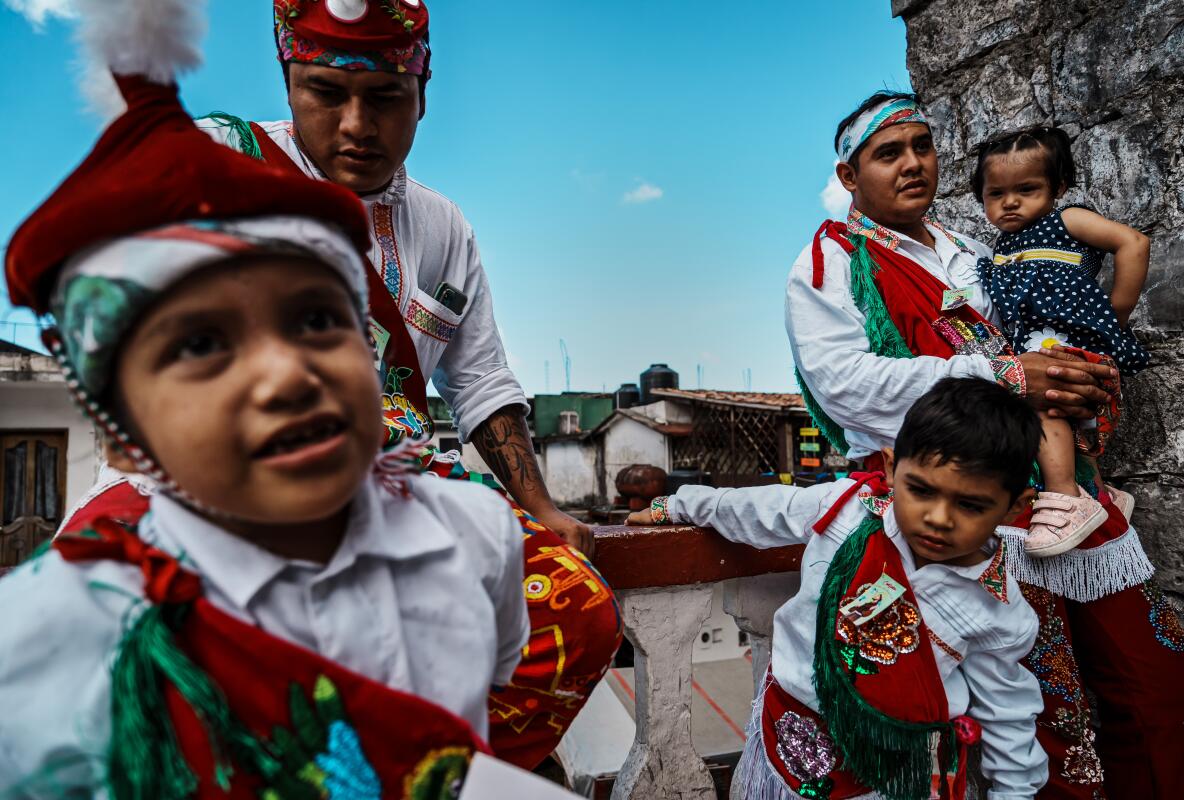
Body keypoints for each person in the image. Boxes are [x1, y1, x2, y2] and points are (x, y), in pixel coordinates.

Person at [61, 0, 623, 769]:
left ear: (422, 94)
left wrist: (542, 507)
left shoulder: (443, 226)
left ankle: (407, 777)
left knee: (578, 614)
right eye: (327, 93)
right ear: (290, 83)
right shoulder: (219, 164)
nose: (358, 124)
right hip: (209, 486)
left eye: (385, 98)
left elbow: (482, 380)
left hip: (393, 490)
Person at [787, 90, 1184, 798]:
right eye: (889, 153)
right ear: (850, 177)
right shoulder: (828, 265)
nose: (913, 163)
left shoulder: (981, 249)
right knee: (1040, 715)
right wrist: (1005, 374)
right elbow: (843, 385)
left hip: (1067, 497)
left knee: (1152, 682)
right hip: (966, 520)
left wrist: (1077, 372)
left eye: (922, 146)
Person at [630, 378, 1048, 799]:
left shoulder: (998, 609)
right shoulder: (847, 510)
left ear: (1014, 507)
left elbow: (1007, 711)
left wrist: (1014, 792)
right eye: (920, 490)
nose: (938, 518)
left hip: (888, 777)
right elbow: (757, 509)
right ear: (890, 466)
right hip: (780, 741)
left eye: (970, 505)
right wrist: (676, 505)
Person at [973, 126, 1149, 557]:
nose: (1010, 202)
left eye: (1027, 189)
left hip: (1066, 347)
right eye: (996, 194)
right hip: (1038, 349)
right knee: (1057, 419)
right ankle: (1099, 495)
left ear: (1058, 188)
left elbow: (1134, 242)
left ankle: (1067, 496)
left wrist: (1115, 315)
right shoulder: (1003, 248)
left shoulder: (1065, 221)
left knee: (1043, 405)